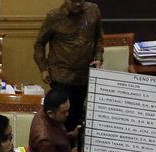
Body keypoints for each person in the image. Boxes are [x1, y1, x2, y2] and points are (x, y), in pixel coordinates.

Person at [33, 0, 104, 130]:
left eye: (80, 0)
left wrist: (98, 57)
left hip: (83, 76)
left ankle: (71, 147)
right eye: (74, 1)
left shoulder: (93, 11)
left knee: (76, 116)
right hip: (61, 76)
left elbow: (98, 38)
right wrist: (43, 69)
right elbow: (39, 44)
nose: (78, 4)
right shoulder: (54, 16)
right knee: (61, 117)